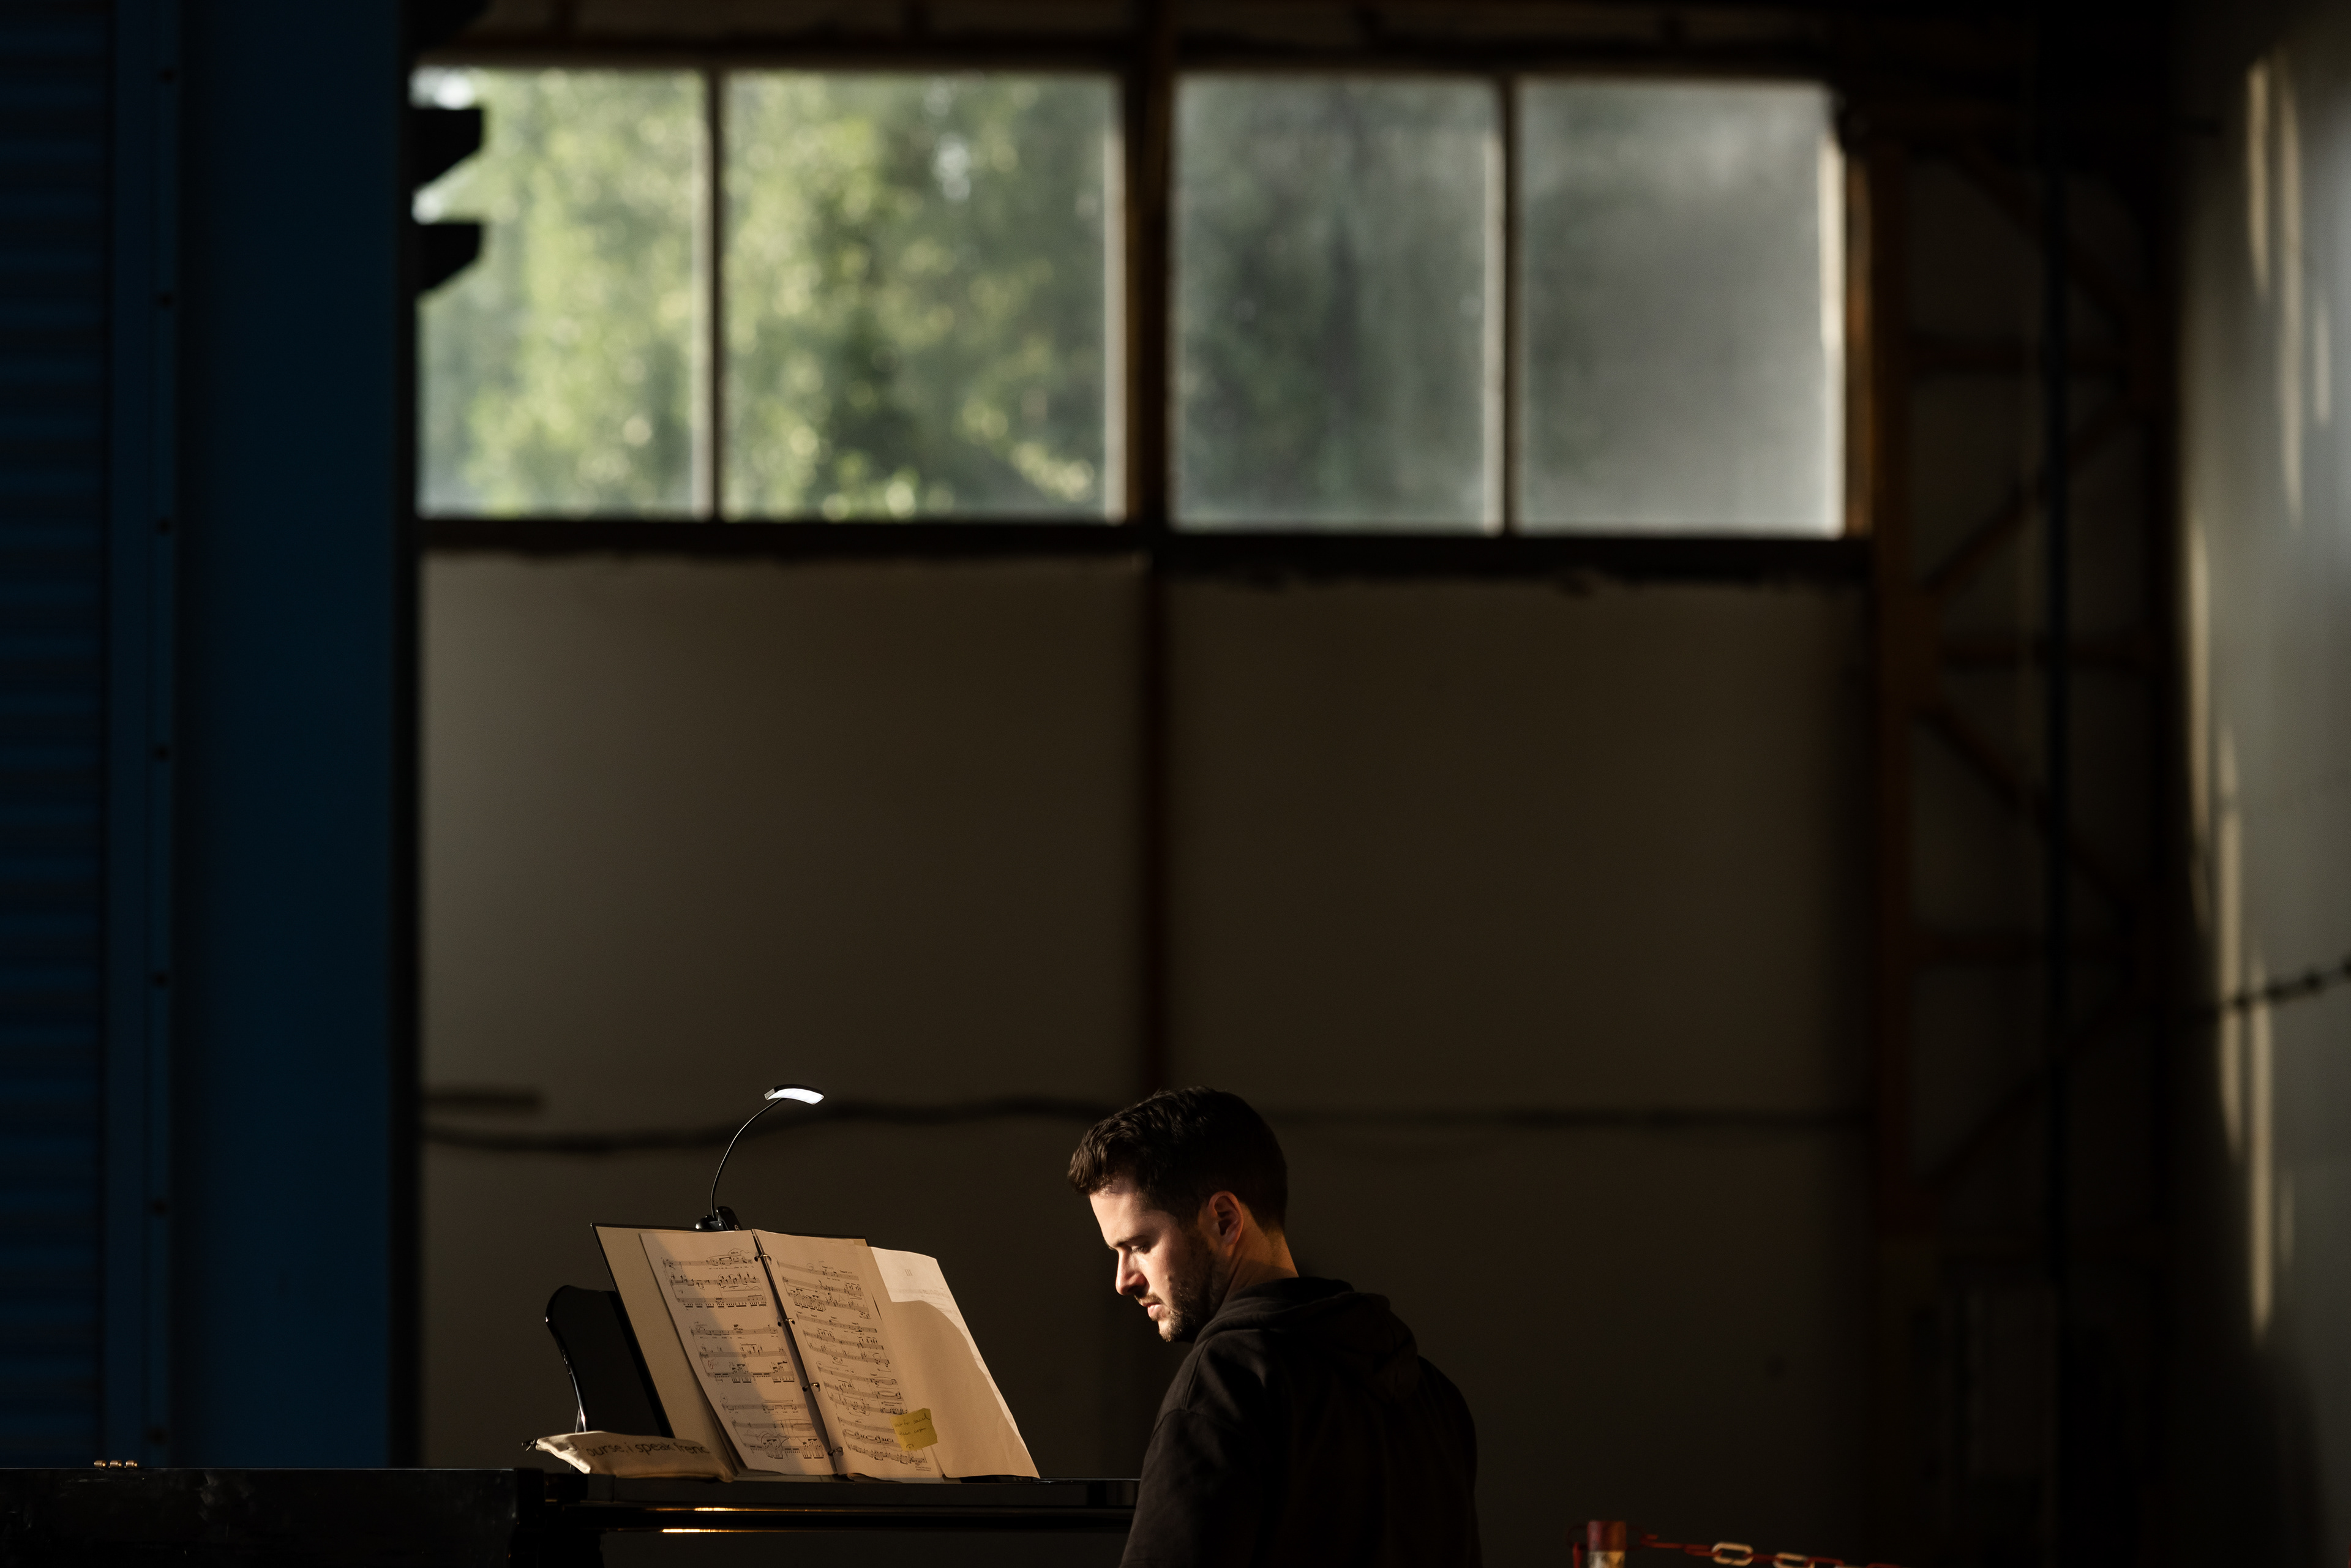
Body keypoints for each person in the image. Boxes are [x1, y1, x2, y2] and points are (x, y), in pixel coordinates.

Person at [1068, 1087, 1480, 1568]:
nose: (1123, 1280)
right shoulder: (1433, 1396)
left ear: (1224, 1219)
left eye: (1139, 1244)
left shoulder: (1227, 1380)